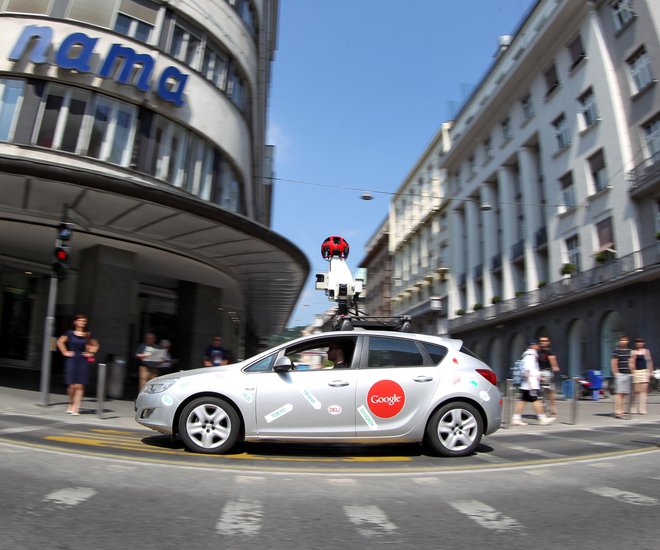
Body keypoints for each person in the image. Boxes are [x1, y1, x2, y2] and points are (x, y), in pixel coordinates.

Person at [56, 314, 99, 415]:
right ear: (75, 322)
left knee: (79, 385)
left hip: (82, 360)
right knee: (71, 385)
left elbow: (96, 345)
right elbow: (60, 342)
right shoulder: (69, 333)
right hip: (72, 359)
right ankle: (71, 404)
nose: (82, 323)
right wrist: (65, 352)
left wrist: (90, 353)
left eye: (84, 321)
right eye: (80, 320)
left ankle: (77, 407)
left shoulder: (87, 334)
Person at [511, 341, 555, 426]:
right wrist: (531, 384)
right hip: (530, 383)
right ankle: (542, 418)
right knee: (536, 400)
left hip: (528, 383)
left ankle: (516, 418)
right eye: (537, 345)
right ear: (533, 346)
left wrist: (539, 376)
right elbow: (528, 369)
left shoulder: (528, 354)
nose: (538, 346)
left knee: (522, 400)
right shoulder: (530, 355)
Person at [538, 336, 561, 417]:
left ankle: (553, 408)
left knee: (550, 391)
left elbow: (553, 361)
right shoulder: (538, 352)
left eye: (544, 341)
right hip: (539, 373)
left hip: (547, 372)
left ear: (548, 342)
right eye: (541, 341)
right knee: (540, 391)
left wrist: (555, 367)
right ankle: (542, 409)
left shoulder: (549, 352)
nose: (542, 342)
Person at [630, 337, 653, 415]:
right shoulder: (633, 352)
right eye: (637, 342)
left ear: (643, 343)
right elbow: (631, 363)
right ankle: (633, 406)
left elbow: (649, 361)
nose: (639, 343)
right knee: (636, 391)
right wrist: (632, 372)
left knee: (644, 390)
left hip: (644, 371)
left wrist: (650, 371)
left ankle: (642, 408)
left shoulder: (646, 351)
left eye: (640, 342)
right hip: (636, 372)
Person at [611, 334, 632, 418]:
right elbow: (613, 362)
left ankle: (622, 410)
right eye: (622, 340)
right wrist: (616, 373)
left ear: (628, 341)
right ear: (619, 341)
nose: (623, 342)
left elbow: (631, 362)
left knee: (624, 393)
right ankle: (617, 411)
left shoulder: (629, 351)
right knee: (619, 393)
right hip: (620, 373)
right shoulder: (616, 350)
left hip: (627, 373)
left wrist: (632, 372)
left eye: (625, 340)